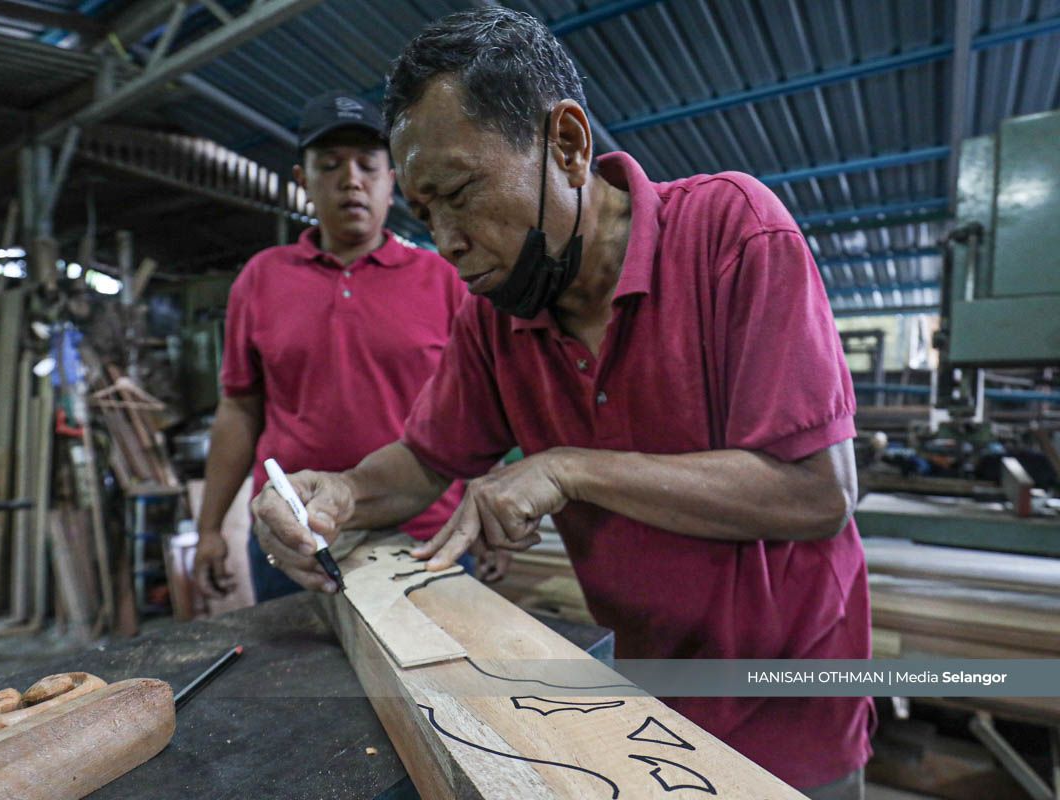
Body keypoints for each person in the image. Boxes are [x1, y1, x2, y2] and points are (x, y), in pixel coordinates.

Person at [253, 10, 873, 799]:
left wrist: (569, 469)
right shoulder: (495, 315)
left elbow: (818, 494)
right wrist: (339, 493)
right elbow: (426, 460)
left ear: (570, 144)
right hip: (639, 702)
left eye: (461, 193)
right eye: (425, 212)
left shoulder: (732, 234)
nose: (447, 240)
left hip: (789, 711)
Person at [194, 91, 505, 604]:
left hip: (427, 534)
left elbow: (476, 410)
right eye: (330, 165)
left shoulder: (445, 278)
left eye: (367, 164)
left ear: (393, 180)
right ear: (303, 181)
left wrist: (485, 510)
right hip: (297, 539)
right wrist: (209, 528)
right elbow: (239, 409)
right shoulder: (261, 279)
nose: (351, 180)